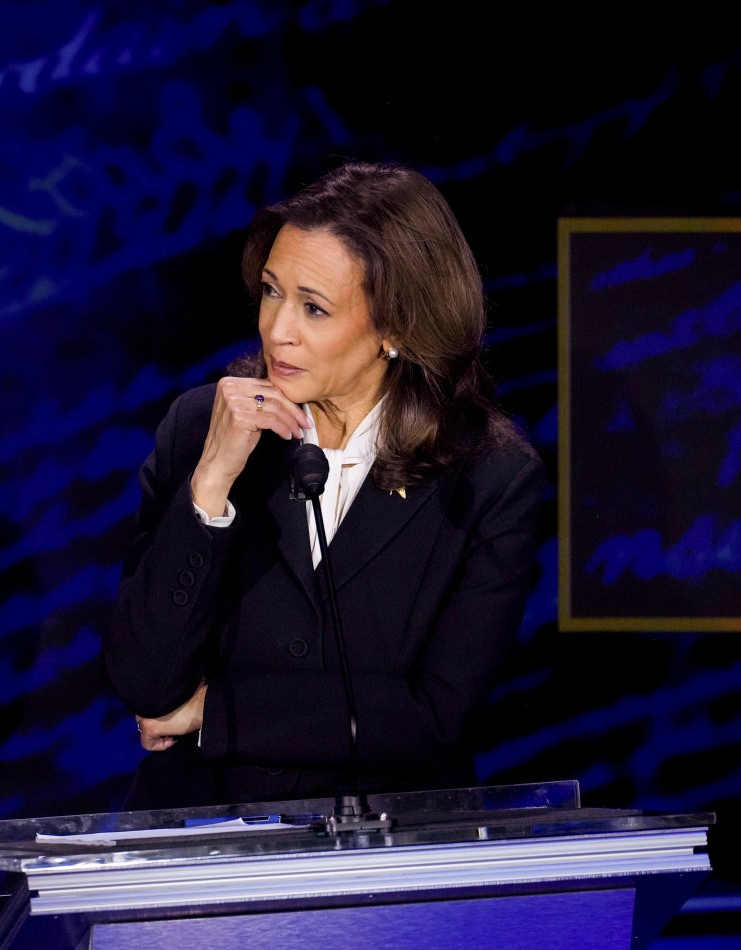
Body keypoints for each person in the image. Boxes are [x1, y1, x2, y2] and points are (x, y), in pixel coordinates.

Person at [104, 161, 545, 810]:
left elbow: (431, 717)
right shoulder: (201, 427)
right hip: (201, 848)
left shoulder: (487, 477)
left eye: (314, 308)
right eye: (271, 292)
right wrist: (212, 483)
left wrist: (220, 713)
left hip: (386, 863)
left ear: (396, 328)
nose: (278, 329)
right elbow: (143, 682)